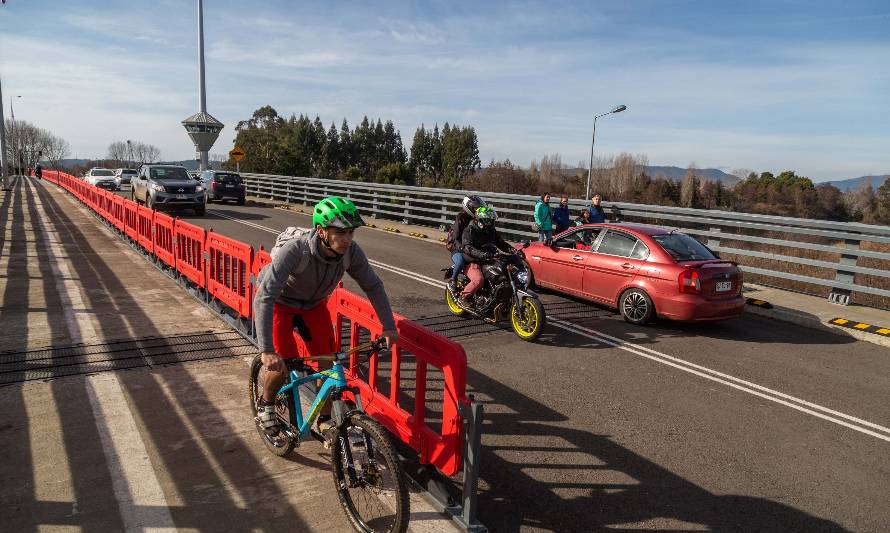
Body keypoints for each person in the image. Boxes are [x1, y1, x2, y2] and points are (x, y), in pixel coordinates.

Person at [253, 196, 398, 436]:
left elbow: (373, 286)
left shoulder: (351, 252)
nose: (347, 239)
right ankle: (266, 404)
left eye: (351, 232)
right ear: (321, 231)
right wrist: (267, 349)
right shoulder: (296, 250)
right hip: (280, 302)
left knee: (329, 363)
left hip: (313, 305)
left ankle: (325, 418)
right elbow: (265, 296)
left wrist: (389, 326)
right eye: (340, 232)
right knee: (282, 365)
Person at [459, 206, 516, 307]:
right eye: (487, 220)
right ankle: (463, 298)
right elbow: (468, 248)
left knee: (505, 274)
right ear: (479, 220)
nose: (490, 223)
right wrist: (482, 254)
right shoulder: (469, 230)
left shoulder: (491, 231)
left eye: (491, 220)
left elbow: (500, 243)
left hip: (488, 259)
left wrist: (513, 250)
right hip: (473, 261)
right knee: (478, 280)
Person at [448, 195, 488, 292]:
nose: (477, 209)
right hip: (457, 248)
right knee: (461, 261)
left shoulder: (477, 219)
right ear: (468, 207)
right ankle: (453, 279)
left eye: (478, 208)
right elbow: (455, 238)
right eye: (475, 208)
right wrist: (462, 248)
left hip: (470, 247)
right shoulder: (461, 218)